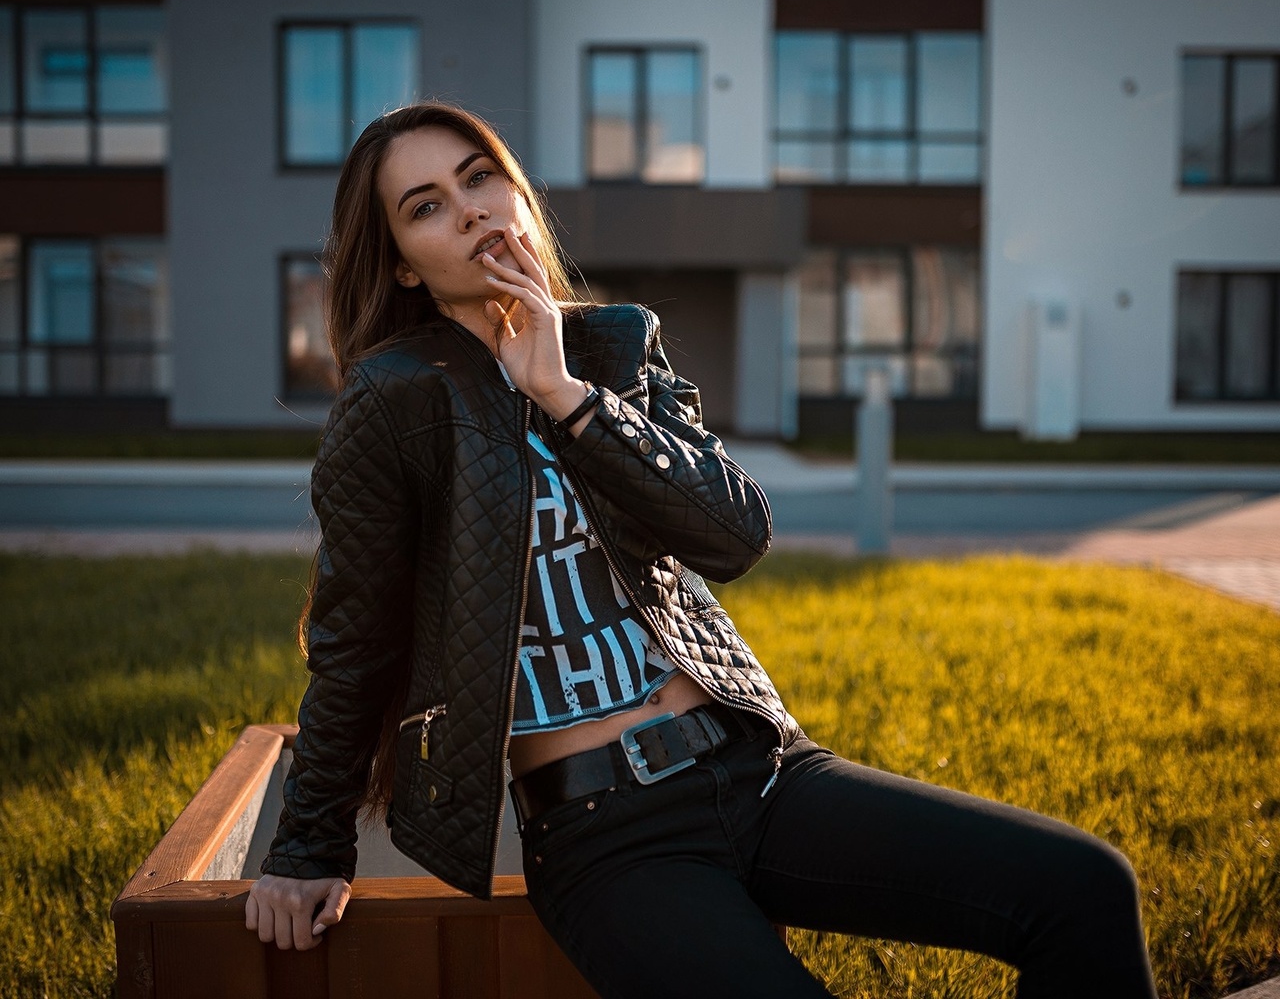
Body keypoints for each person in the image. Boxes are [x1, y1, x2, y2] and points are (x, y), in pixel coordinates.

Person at [244, 100, 1158, 998]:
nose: (471, 207)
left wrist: (569, 399)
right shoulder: (395, 399)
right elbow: (354, 639)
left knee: (1084, 891)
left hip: (758, 772)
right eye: (427, 205)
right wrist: (308, 845)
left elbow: (733, 535)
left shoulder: (616, 349)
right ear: (405, 266)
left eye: (480, 178)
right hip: (606, 837)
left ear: (520, 197)